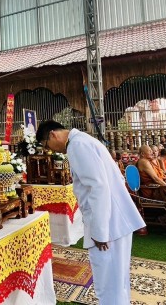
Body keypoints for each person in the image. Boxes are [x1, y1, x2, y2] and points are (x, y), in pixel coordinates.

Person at [36, 120, 145, 305]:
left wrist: (100, 231)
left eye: (47, 145)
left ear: (53, 134)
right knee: (117, 281)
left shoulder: (77, 145)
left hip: (108, 225)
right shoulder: (83, 141)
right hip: (114, 219)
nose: (51, 151)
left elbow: (98, 187)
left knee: (109, 282)